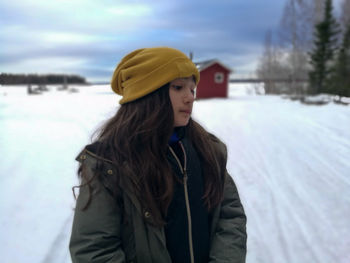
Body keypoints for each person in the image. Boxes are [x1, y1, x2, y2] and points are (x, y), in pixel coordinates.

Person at [69, 47, 247, 263]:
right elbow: (94, 251)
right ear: (147, 94)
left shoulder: (206, 149)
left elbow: (230, 215)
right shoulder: (109, 163)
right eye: (179, 87)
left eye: (192, 89)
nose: (190, 98)